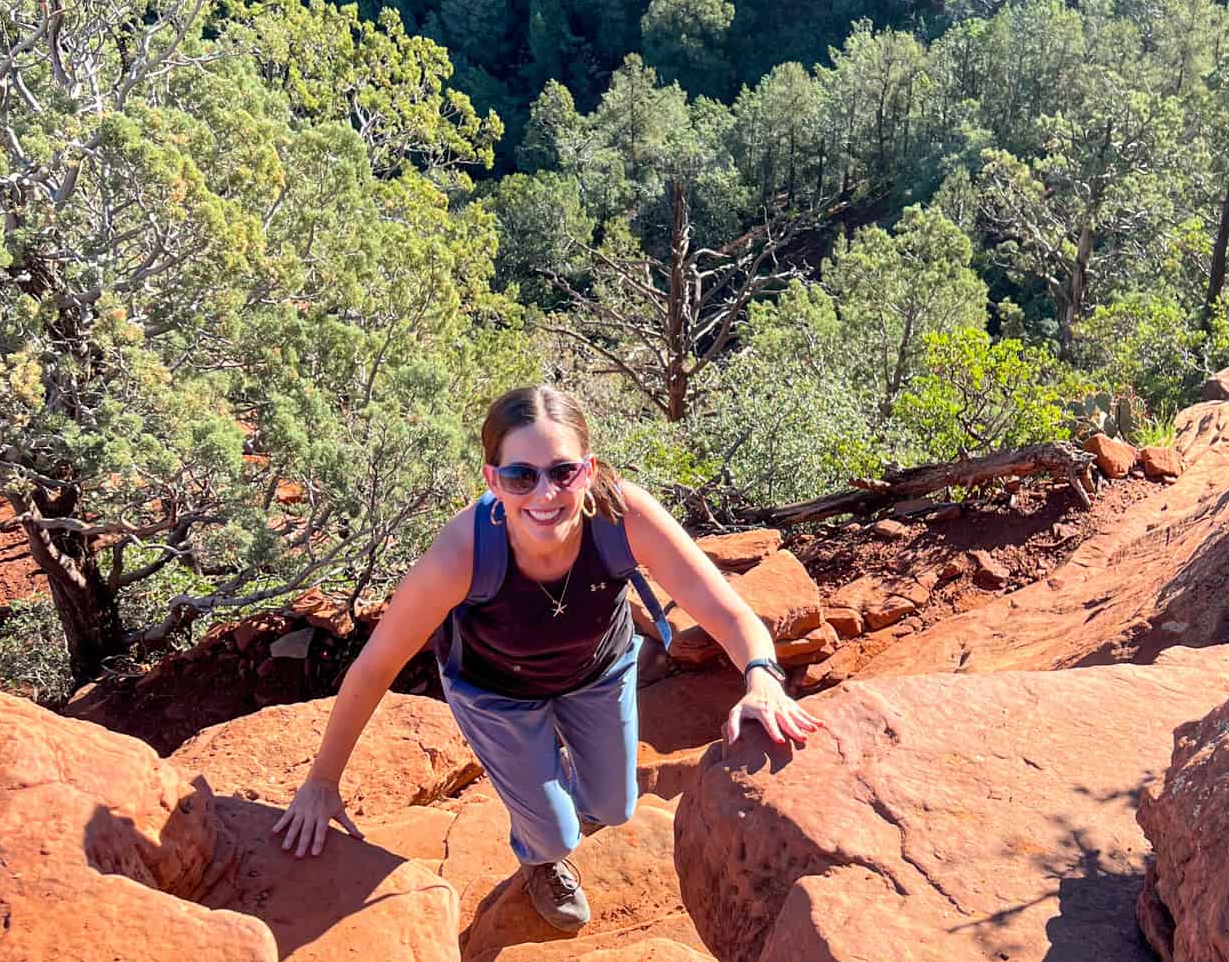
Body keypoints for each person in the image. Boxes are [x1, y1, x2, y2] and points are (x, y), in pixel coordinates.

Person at [272, 383, 822, 931]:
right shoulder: (462, 553)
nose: (544, 494)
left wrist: (762, 678)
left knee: (614, 809)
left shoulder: (621, 517)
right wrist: (322, 781)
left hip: (597, 674)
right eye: (521, 476)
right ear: (493, 480)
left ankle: (544, 790)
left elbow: (727, 611)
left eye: (563, 472)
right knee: (556, 834)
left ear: (588, 469)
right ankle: (540, 855)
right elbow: (374, 667)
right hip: (496, 693)